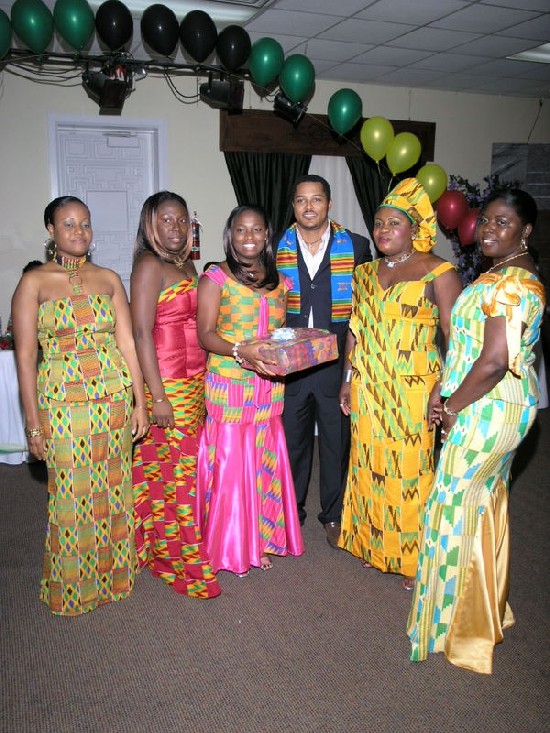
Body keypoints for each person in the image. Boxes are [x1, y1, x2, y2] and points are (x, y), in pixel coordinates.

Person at [407, 189, 546, 673]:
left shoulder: (514, 284)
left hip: (488, 409)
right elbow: (471, 350)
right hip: (489, 403)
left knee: (449, 505)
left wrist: (449, 404)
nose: (488, 229)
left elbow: (492, 361)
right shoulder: (503, 273)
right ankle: (478, 612)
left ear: (525, 231)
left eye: (503, 223)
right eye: (485, 219)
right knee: (479, 505)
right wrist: (445, 386)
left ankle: (453, 630)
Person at [11, 196, 148, 616]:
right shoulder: (33, 282)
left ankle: (113, 581)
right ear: (51, 231)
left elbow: (127, 343)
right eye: (68, 224)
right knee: (71, 496)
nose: (79, 232)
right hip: (63, 406)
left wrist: (140, 402)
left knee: (112, 492)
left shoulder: (108, 279)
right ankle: (73, 589)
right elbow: (25, 358)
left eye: (85, 224)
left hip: (113, 403)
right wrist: (33, 425)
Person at [338, 178, 463, 589]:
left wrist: (441, 392)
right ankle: (375, 546)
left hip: (413, 391)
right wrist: (347, 378)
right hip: (369, 387)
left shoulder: (439, 272)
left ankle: (413, 556)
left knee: (409, 474)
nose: (384, 230)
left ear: (414, 229)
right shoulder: (364, 273)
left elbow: (455, 338)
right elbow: (355, 329)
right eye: (378, 223)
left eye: (394, 223)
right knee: (369, 466)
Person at [196, 204, 304, 576]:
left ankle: (261, 538)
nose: (249, 238)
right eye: (241, 230)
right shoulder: (215, 278)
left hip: (268, 386)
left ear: (267, 235)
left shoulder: (280, 281)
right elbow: (205, 335)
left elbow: (279, 333)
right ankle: (230, 546)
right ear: (230, 235)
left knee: (262, 463)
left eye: (257, 230)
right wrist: (242, 350)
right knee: (232, 465)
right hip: (230, 383)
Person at [130, 192, 220, 599]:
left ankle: (170, 546)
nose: (176, 228)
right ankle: (178, 557)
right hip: (166, 386)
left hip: (194, 381)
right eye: (167, 220)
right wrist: (157, 397)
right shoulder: (148, 265)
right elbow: (139, 334)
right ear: (151, 224)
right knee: (173, 475)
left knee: (180, 472)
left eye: (182, 221)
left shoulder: (185, 263)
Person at [276, 174, 371, 547]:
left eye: (316, 199)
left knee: (336, 442)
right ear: (294, 206)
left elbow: (364, 313)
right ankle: (291, 512)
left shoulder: (358, 246)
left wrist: (353, 369)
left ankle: (333, 515)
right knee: (293, 441)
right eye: (301, 200)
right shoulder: (275, 246)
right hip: (293, 363)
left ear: (329, 204)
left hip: (335, 362)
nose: (309, 206)